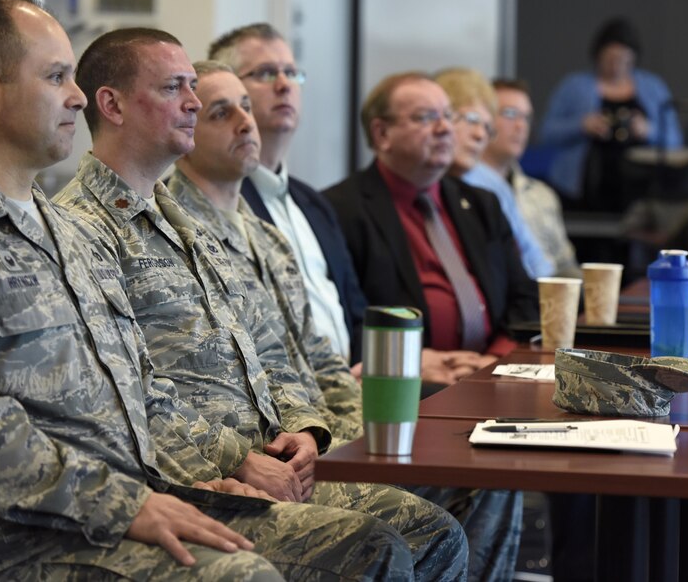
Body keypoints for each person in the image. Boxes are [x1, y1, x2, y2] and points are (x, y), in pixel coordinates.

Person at [0, 0, 398, 580]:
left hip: (121, 503)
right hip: (11, 542)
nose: (77, 96)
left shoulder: (55, 228)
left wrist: (201, 477)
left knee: (388, 542)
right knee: (251, 573)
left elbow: (140, 383)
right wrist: (133, 502)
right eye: (56, 76)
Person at [54, 29, 468, 581]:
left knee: (436, 530)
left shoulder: (187, 226)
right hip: (197, 476)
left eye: (194, 88)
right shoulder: (80, 228)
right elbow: (125, 390)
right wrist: (235, 461)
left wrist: (307, 431)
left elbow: (270, 350)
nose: (193, 104)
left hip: (273, 457)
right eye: (176, 87)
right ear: (112, 104)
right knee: (381, 545)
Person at [169, 60, 524, 581]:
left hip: (314, 423)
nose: (247, 123)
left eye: (246, 106)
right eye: (222, 112)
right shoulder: (176, 233)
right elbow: (189, 383)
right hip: (246, 452)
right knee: (412, 534)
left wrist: (321, 432)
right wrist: (298, 440)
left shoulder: (268, 234)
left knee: (488, 464)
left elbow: (303, 357)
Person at [323, 72, 539, 375]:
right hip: (407, 382)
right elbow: (344, 321)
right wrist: (412, 361)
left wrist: (495, 360)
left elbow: (525, 297)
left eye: (448, 116)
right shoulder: (340, 210)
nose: (444, 128)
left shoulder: (481, 204)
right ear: (382, 133)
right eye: (426, 118)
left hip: (492, 373)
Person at [208, 23, 367, 365]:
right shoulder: (217, 203)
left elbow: (356, 311)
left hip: (351, 385)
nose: (284, 85)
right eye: (265, 73)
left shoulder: (314, 203)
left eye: (292, 73)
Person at [539, 16, 682, 209]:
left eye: (623, 60)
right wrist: (581, 125)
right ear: (598, 56)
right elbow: (546, 132)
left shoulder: (653, 88)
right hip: (583, 184)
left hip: (640, 189)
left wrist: (649, 130)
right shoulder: (574, 86)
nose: (616, 67)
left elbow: (676, 140)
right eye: (610, 60)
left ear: (633, 58)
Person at [435, 66, 552, 279]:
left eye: (487, 127)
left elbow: (536, 266)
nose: (480, 134)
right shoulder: (416, 191)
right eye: (471, 119)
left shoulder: (492, 187)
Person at [483, 77, 581, 278]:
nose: (521, 126)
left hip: (548, 300)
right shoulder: (459, 192)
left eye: (526, 117)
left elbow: (565, 266)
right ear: (482, 118)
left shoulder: (542, 195)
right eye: (510, 114)